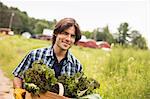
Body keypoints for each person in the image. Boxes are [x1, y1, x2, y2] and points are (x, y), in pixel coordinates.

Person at [12, 18, 82, 98]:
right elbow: (18, 76)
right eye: (65, 33)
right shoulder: (35, 55)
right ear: (56, 33)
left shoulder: (76, 65)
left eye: (72, 36)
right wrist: (18, 89)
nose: (68, 39)